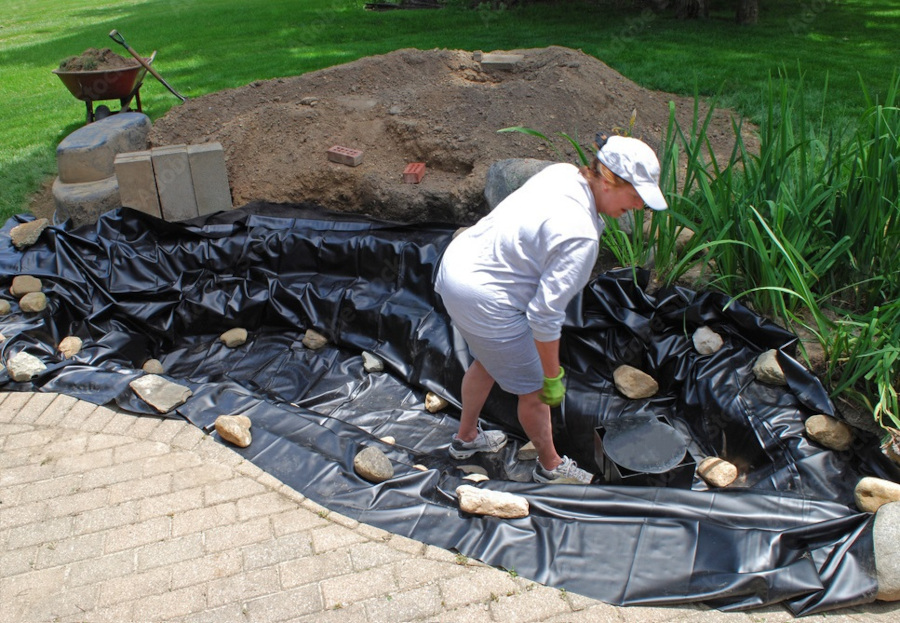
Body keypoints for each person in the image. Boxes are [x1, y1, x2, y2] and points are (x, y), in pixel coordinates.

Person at [434, 134, 668, 484]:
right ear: (608, 180)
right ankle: (551, 467)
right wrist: (551, 376)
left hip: (458, 266)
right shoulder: (580, 236)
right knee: (534, 391)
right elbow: (544, 316)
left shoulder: (563, 173)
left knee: (487, 361)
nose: (638, 206)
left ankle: (466, 438)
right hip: (484, 296)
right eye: (635, 195)